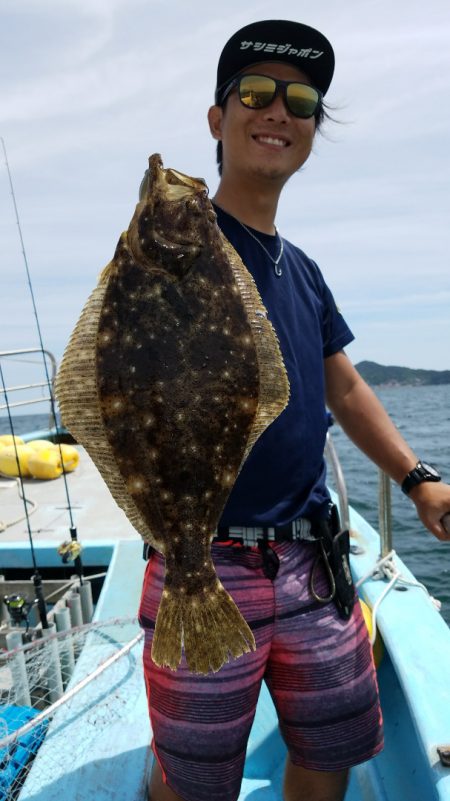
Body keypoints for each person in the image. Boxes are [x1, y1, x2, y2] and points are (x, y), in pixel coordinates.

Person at [139, 19, 450, 801]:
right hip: (198, 559)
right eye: (255, 93)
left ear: (312, 128)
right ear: (218, 118)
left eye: (301, 100)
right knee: (195, 774)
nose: (279, 111)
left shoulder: (303, 270)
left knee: (333, 747)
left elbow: (344, 386)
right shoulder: (171, 243)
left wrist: (419, 479)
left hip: (313, 562)